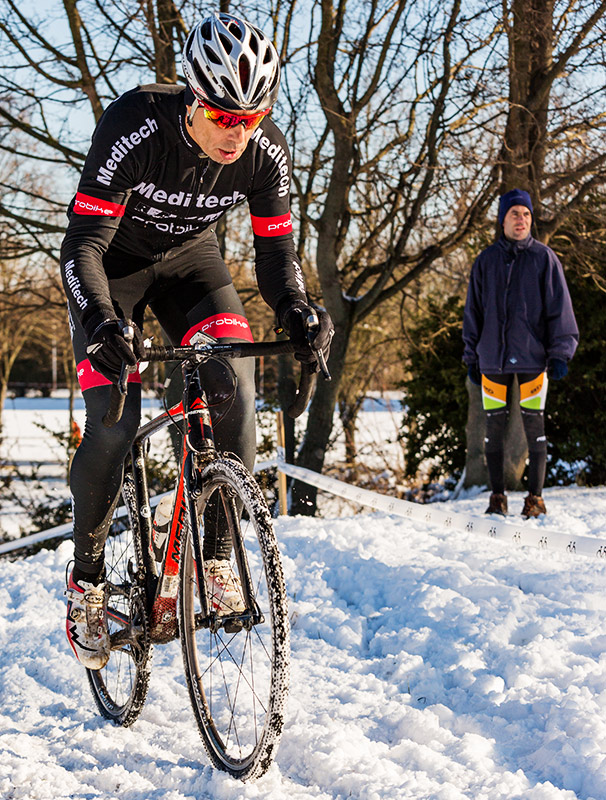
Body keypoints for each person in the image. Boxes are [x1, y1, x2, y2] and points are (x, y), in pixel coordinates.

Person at [61, 12, 333, 670]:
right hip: (114, 271)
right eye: (223, 116)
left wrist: (297, 308)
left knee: (235, 388)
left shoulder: (264, 155)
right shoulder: (135, 126)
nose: (237, 133)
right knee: (113, 420)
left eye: (252, 117)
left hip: (192, 267)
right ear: (192, 96)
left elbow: (276, 259)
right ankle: (88, 583)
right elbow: (82, 245)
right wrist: (99, 321)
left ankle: (213, 552)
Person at [462, 188, 578, 519]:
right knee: (493, 429)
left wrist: (560, 353)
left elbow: (560, 310)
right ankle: (497, 497)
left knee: (534, 428)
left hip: (533, 359)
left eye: (526, 214)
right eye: (515, 213)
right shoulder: (486, 262)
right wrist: (472, 357)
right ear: (503, 220)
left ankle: (536, 499)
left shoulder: (545, 259)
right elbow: (473, 313)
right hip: (493, 360)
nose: (521, 219)